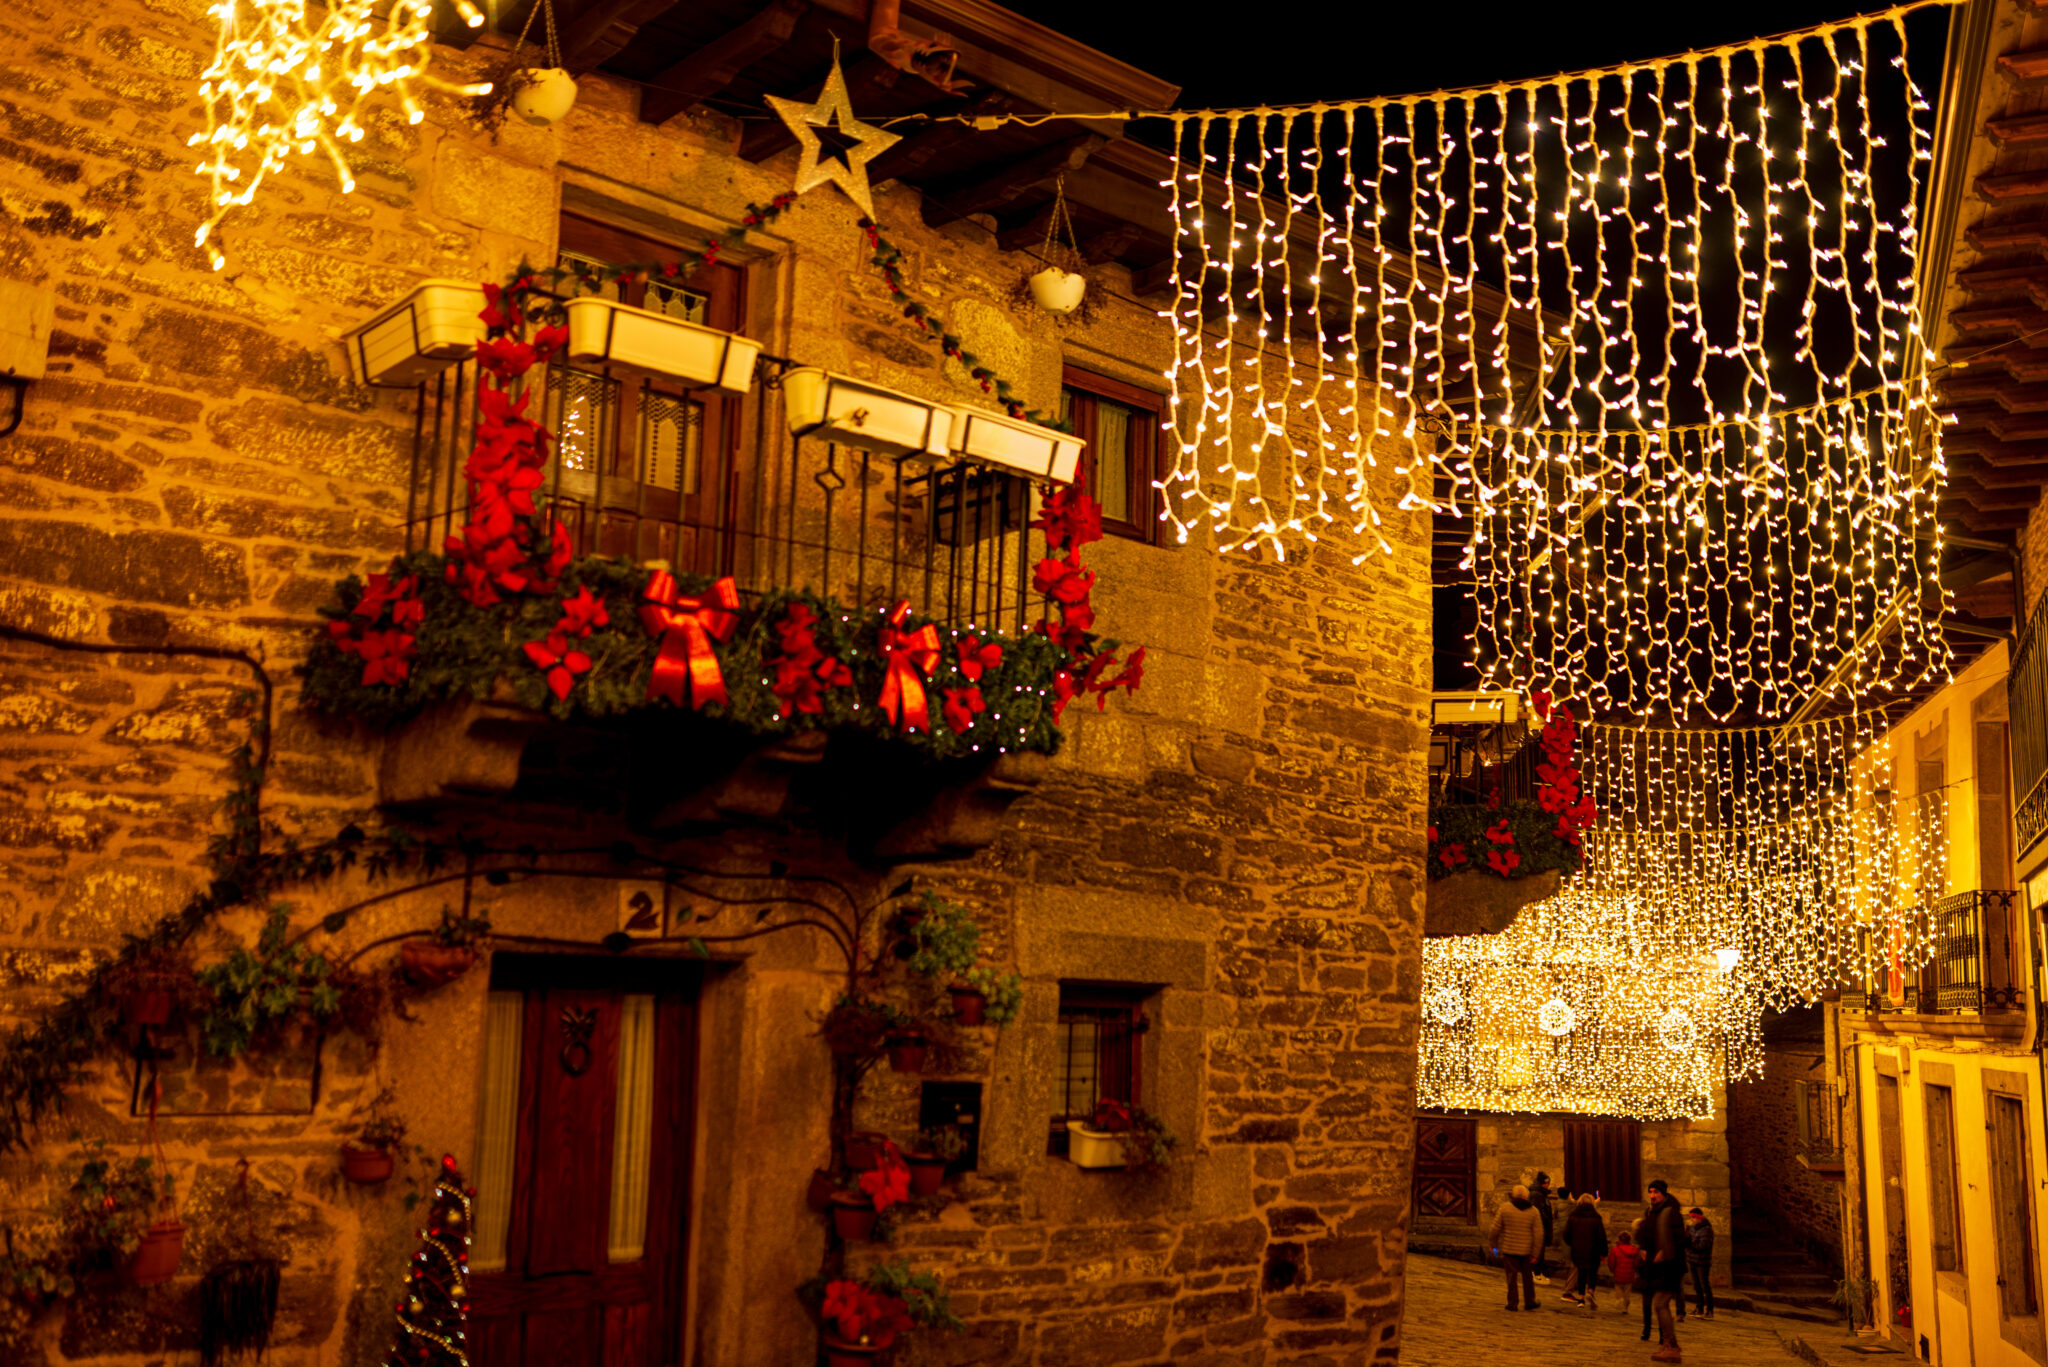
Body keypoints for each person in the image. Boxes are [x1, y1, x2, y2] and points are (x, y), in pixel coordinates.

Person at [1643, 1178, 1686, 1361]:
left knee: (1660, 1304)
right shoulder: (1653, 1212)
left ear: (1664, 1193)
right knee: (1659, 1304)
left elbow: (1679, 1240)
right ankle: (1667, 1344)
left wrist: (1665, 1253)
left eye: (1656, 1192)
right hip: (1658, 1267)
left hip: (1670, 1267)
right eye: (1650, 1192)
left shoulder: (1672, 1213)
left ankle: (1671, 1346)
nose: (1652, 1195)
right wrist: (1644, 1249)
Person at [1488, 1183, 1546, 1311]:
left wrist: (1493, 1245)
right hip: (1526, 1251)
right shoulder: (1533, 1211)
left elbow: (1494, 1229)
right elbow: (1539, 1234)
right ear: (1526, 1196)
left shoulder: (1505, 1208)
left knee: (1511, 1278)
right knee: (1528, 1278)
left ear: (1513, 1195)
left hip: (1509, 1248)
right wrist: (1536, 1254)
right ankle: (1530, 1301)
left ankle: (1512, 1303)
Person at [1562, 1193, 1609, 1312]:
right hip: (1594, 1250)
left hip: (1578, 1250)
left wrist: (1572, 1243)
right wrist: (1604, 1252)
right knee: (1593, 1272)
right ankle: (1591, 1292)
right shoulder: (1596, 1218)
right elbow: (1601, 1237)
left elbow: (1566, 1234)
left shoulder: (1573, 1216)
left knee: (1581, 1273)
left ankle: (1581, 1298)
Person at [1608, 1224, 1644, 1323]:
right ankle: (1625, 1307)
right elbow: (1636, 1262)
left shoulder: (1615, 1249)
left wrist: (1612, 1269)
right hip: (1630, 1273)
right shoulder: (1634, 1250)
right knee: (1627, 1291)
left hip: (1618, 1272)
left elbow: (1611, 1261)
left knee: (1619, 1288)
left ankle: (1619, 1299)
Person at [1685, 1208, 1716, 1319]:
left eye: (1694, 1217)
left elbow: (1703, 1246)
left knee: (1704, 1286)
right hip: (1692, 1260)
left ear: (1699, 1218)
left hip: (1702, 1261)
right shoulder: (1692, 1228)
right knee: (1696, 1286)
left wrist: (1690, 1244)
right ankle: (1699, 1308)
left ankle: (1710, 1310)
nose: (1692, 1219)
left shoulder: (1706, 1230)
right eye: (1691, 1217)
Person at [1531, 1171, 1557, 1282]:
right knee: (1538, 1251)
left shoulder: (1542, 1194)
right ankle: (1535, 1272)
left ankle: (1538, 1271)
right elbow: (1538, 1211)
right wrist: (1546, 1218)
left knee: (1541, 1251)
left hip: (1543, 1226)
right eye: (1546, 1182)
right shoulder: (1537, 1195)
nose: (1548, 1185)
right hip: (1540, 1227)